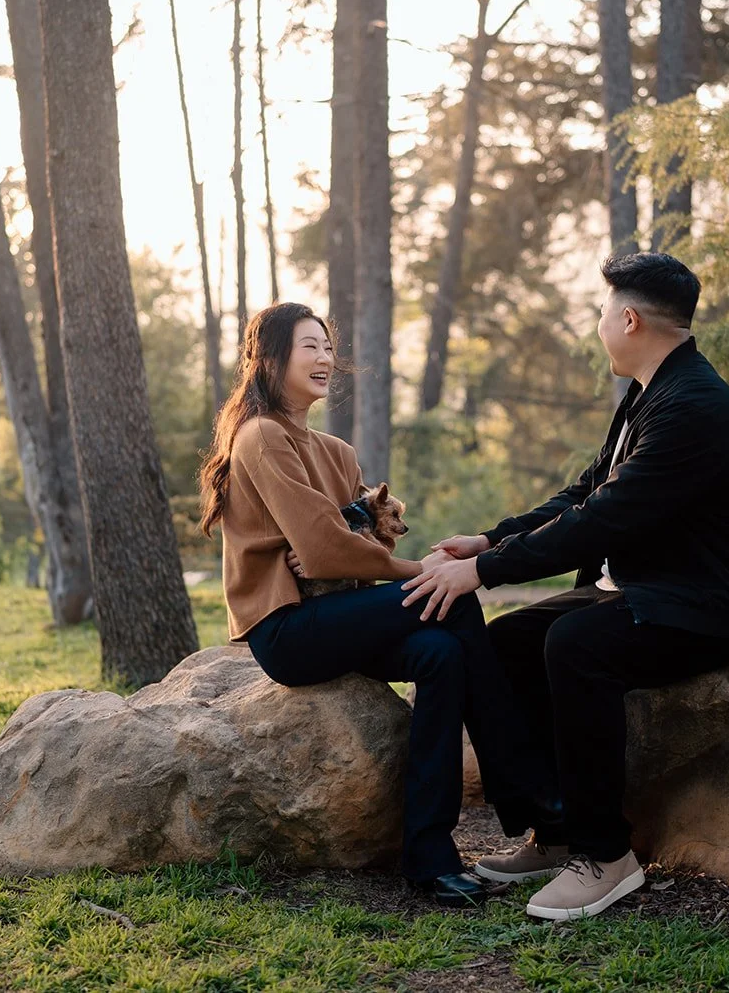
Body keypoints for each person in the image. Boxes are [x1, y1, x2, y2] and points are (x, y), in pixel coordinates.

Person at [402, 252, 729, 921]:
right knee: (508, 643)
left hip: (716, 601)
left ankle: (606, 855)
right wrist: (492, 541)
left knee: (576, 643)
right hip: (654, 586)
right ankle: (554, 829)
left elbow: (602, 520)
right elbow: (586, 492)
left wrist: (484, 573)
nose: (599, 324)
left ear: (629, 318)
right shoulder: (652, 390)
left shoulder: (692, 403)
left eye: (603, 311)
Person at [199, 302, 555, 908]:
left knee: (441, 653)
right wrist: (423, 569)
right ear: (270, 359)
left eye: (327, 347)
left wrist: (343, 549)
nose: (324, 358)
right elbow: (324, 547)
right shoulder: (260, 436)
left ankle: (429, 856)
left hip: (347, 614)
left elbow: (356, 545)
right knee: (454, 600)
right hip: (288, 630)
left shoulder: (337, 453)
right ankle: (530, 795)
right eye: (309, 346)